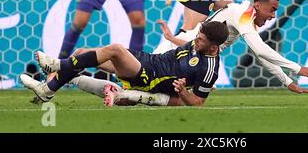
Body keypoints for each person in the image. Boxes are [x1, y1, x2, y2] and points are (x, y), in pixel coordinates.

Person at [67, 0, 308, 106]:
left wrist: (285, 81)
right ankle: (71, 72)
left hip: (186, 50)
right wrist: (296, 69)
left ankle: (71, 68)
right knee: (142, 88)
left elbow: (260, 52)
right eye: (272, 9)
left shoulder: (246, 18)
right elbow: (261, 50)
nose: (274, 15)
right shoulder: (243, 13)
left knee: (124, 75)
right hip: (179, 52)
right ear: (258, 4)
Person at [20, 21, 230, 106]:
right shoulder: (199, 43)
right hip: (147, 60)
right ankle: (46, 92)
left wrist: (183, 92)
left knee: (115, 49)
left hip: (150, 77)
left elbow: (198, 103)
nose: (196, 40)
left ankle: (58, 66)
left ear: (213, 47)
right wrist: (171, 38)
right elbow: (189, 45)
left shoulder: (209, 68)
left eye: (201, 39)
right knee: (82, 53)